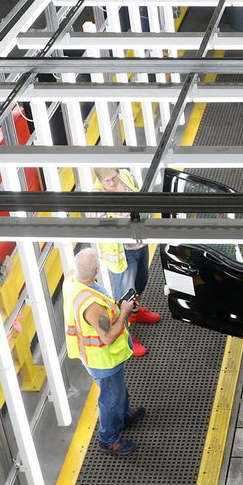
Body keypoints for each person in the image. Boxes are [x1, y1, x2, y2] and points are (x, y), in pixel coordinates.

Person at [64, 248, 144, 455]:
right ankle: (108, 439)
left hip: (101, 357)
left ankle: (124, 414)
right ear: (97, 270)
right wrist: (125, 312)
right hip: (103, 360)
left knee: (117, 391)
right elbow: (107, 337)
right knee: (110, 399)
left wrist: (120, 306)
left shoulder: (73, 282)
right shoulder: (91, 306)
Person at [93, 167, 160, 357]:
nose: (113, 183)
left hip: (140, 244)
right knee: (124, 299)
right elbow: (102, 229)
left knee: (141, 282)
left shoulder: (127, 176)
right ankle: (127, 339)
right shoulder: (96, 198)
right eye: (108, 181)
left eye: (114, 177)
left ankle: (137, 314)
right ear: (100, 181)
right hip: (122, 255)